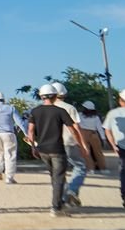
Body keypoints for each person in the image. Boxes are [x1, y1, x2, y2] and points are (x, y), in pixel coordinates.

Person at [26, 84, 87, 217]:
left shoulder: (35, 111)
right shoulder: (60, 111)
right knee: (59, 178)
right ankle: (56, 207)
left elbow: (30, 131)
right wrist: (81, 145)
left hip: (43, 150)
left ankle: (60, 202)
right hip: (57, 149)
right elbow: (73, 130)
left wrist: (33, 147)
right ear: (55, 96)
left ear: (41, 96)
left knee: (54, 177)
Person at [51, 82, 90, 208]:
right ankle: (72, 190)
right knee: (80, 167)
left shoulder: (47, 108)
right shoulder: (70, 108)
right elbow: (76, 127)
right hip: (69, 142)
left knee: (59, 172)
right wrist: (83, 144)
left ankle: (66, 197)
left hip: (53, 144)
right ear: (64, 94)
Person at [0, 92, 26, 184]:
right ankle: (9, 178)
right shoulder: (11, 108)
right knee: (10, 155)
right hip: (8, 134)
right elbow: (19, 122)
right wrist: (26, 133)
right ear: (4, 100)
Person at [77, 101, 107, 173]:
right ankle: (102, 168)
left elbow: (77, 125)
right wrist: (103, 138)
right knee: (98, 152)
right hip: (93, 134)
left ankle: (90, 168)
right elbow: (99, 128)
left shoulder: (79, 115)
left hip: (83, 133)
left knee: (86, 152)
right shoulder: (96, 117)